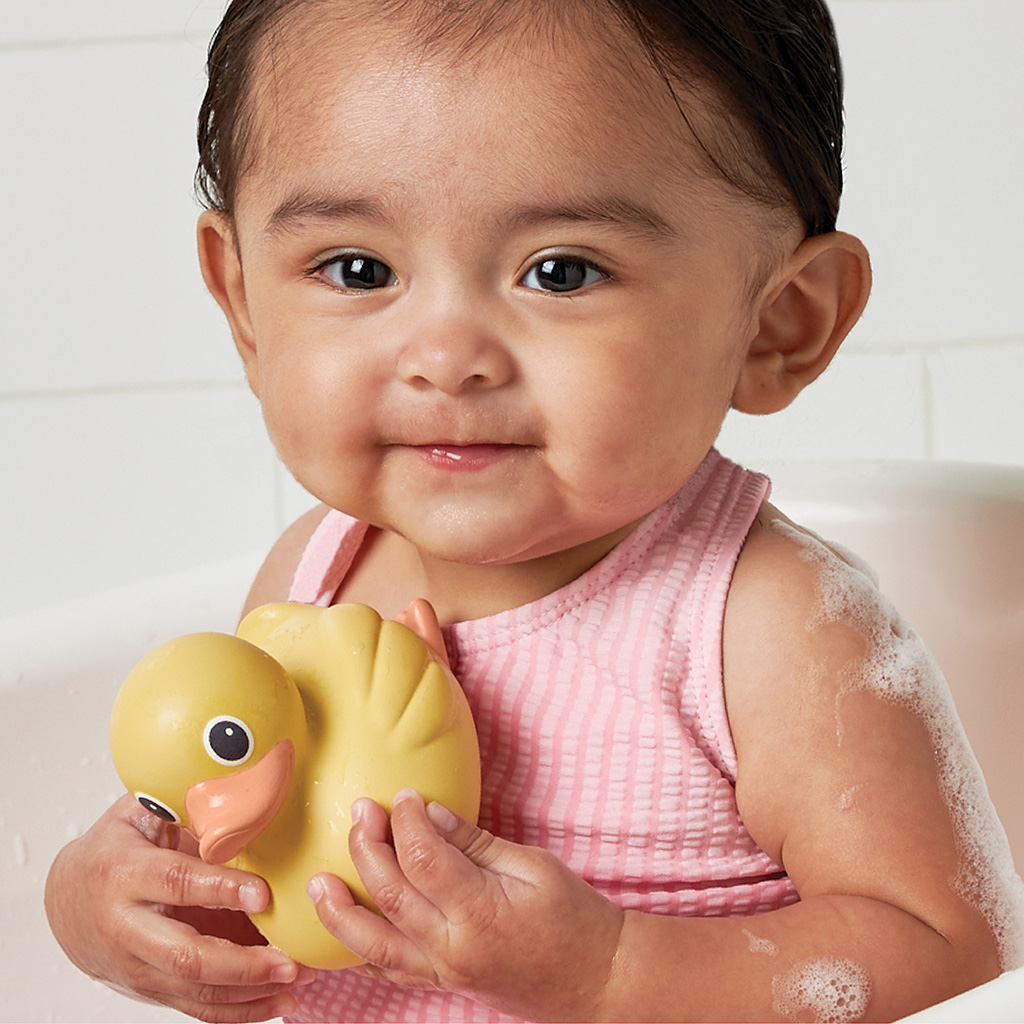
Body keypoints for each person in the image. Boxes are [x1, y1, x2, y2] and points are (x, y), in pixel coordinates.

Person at [45, 0, 1024, 1021]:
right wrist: (132, 911)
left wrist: (613, 971)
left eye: (561, 272)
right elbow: (263, 876)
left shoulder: (767, 627)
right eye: (357, 269)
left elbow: (957, 956)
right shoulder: (311, 579)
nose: (445, 353)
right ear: (243, 301)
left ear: (778, 323)